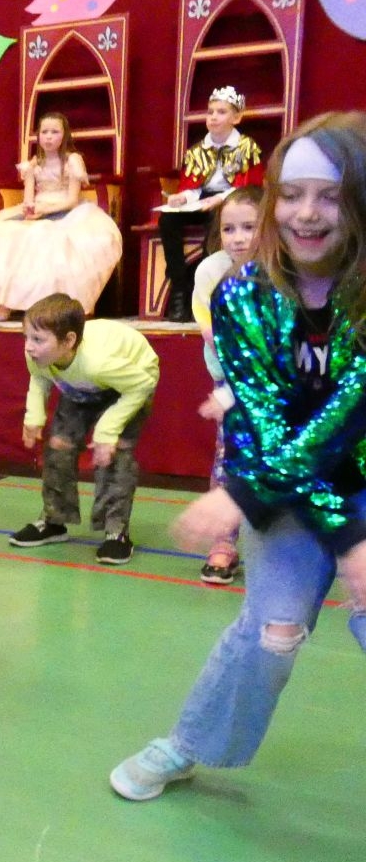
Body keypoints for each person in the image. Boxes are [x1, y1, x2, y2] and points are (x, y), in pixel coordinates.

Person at [110, 113, 366, 802]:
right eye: (292, 194)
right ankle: (192, 743)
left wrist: (348, 537)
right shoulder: (242, 294)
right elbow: (260, 420)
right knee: (272, 632)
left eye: (330, 197)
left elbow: (346, 420)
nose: (306, 214)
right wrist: (339, 532)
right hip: (282, 481)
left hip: (349, 472)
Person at [10, 294, 159, 565]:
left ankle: (116, 532)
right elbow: (40, 378)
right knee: (59, 445)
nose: (28, 347)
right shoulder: (38, 354)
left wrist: (107, 431)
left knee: (112, 454)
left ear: (68, 341)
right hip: (82, 384)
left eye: (38, 340)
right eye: (26, 337)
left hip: (129, 384)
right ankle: (54, 521)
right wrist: (34, 416)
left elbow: (142, 384)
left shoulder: (97, 361)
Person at [0, 111, 121, 320]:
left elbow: (72, 200)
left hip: (66, 211)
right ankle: (4, 303)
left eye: (54, 132)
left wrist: (45, 211)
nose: (49, 137)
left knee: (41, 240)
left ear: (64, 135)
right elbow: (29, 197)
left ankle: (44, 306)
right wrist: (30, 208)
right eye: (44, 132)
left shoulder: (72, 160)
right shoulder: (34, 164)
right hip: (38, 208)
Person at [190, 187, 262, 584]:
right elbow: (210, 326)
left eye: (249, 227)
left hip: (276, 385)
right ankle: (223, 541)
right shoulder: (211, 271)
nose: (237, 238)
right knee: (227, 457)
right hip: (230, 380)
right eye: (228, 229)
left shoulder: (280, 270)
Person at [159, 86, 264, 322]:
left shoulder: (247, 147)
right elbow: (193, 186)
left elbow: (251, 187)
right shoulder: (197, 150)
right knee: (168, 219)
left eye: (221, 112)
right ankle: (179, 288)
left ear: (236, 118)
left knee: (216, 219)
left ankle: (212, 284)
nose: (214, 117)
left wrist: (220, 199)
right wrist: (182, 197)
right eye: (210, 112)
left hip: (233, 201)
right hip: (202, 200)